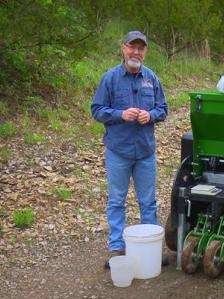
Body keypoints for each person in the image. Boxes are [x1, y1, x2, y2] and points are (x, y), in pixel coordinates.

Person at [91, 31, 168, 269]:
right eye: (131, 47)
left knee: (148, 202)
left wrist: (151, 115)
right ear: (123, 48)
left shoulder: (151, 78)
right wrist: (119, 114)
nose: (136, 52)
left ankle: (151, 248)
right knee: (116, 201)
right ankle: (116, 249)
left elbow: (163, 109)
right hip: (118, 151)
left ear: (145, 52)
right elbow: (96, 110)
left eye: (140, 48)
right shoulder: (111, 78)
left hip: (145, 151)